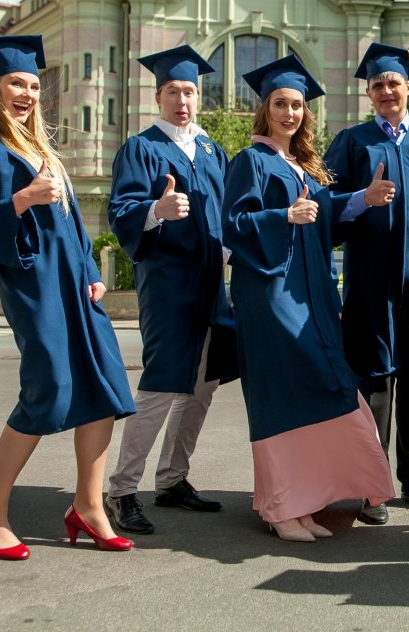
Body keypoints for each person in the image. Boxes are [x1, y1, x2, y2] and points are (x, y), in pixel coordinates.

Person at [0, 35, 136, 560]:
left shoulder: (45, 149)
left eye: (34, 84)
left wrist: (92, 270)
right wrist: (23, 198)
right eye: (16, 82)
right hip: (31, 280)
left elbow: (72, 225)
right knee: (48, 388)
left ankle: (89, 506)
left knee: (104, 387)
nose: (27, 92)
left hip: (75, 283)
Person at [222, 53, 394, 542]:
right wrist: (282, 218)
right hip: (271, 293)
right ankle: (279, 508)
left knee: (316, 388)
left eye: (297, 105)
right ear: (265, 109)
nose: (290, 113)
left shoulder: (303, 166)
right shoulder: (250, 161)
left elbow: (326, 213)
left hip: (311, 293)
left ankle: (303, 501)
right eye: (281, 103)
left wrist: (364, 198)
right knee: (281, 394)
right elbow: (232, 226)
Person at [104, 45, 237, 535]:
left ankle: (172, 479)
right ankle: (120, 490)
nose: (183, 100)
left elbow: (226, 214)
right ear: (157, 96)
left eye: (190, 92)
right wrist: (155, 212)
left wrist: (233, 248)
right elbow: (120, 212)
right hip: (167, 284)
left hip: (210, 284)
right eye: (173, 91)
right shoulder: (141, 148)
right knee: (161, 386)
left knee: (202, 388)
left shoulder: (211, 150)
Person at [324, 43, 409, 526]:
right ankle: (370, 487)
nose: (386, 90)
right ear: (369, 93)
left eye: (393, 82)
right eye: (377, 85)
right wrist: (362, 198)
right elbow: (326, 209)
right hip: (370, 282)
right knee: (372, 383)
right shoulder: (352, 142)